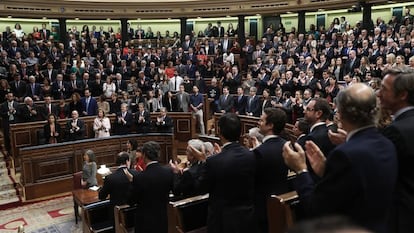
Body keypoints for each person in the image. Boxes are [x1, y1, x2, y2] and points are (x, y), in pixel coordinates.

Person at [283, 83, 398, 233]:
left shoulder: (345, 154)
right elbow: (358, 184)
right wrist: (326, 170)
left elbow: (315, 208)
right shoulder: (387, 143)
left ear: (341, 113)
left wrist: (301, 170)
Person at [189, 113, 256, 233]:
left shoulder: (213, 161)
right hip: (248, 216)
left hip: (222, 221)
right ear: (240, 132)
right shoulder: (252, 155)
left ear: (219, 131)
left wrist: (203, 162)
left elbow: (201, 188)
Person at [377, 68, 414, 233]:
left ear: (402, 95)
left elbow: (380, 176)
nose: (378, 93)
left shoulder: (395, 132)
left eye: (384, 88)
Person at [253, 107, 290, 233]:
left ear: (270, 126)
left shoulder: (259, 152)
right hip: (284, 199)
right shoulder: (288, 145)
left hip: (263, 205)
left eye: (262, 120)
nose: (258, 122)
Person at [125, 141, 173, 233]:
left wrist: (132, 182)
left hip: (144, 222)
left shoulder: (139, 177)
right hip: (162, 219)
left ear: (144, 155)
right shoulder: (168, 172)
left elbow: (130, 201)